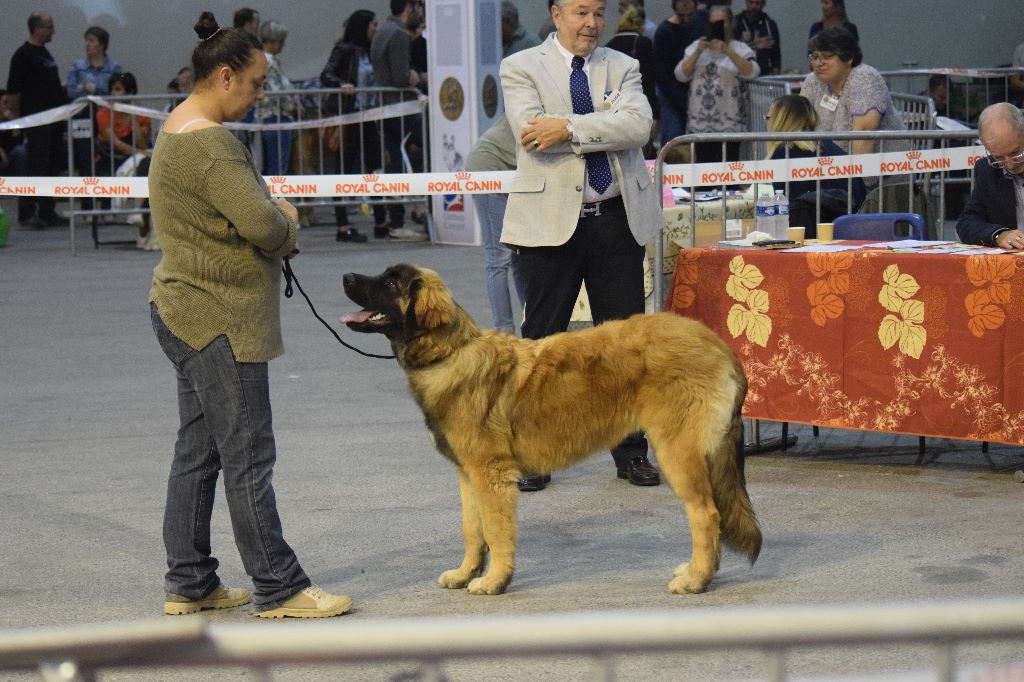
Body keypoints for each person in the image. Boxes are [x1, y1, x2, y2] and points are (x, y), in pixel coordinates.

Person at [148, 11, 352, 619]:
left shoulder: (177, 128)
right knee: (248, 454)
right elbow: (263, 225)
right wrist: (285, 220)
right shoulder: (212, 146)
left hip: (182, 310)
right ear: (226, 76)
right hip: (220, 322)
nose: (263, 94)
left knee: (200, 451)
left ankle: (190, 580)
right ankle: (280, 587)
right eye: (259, 83)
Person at [500, 0, 665, 491]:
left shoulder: (624, 65)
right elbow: (532, 135)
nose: (591, 24)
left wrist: (569, 126)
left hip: (616, 222)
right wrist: (601, 128)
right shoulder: (520, 67)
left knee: (623, 346)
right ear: (555, 15)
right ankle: (534, 454)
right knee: (541, 345)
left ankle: (632, 452)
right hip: (549, 226)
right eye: (579, 13)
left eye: (597, 13)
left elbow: (639, 127)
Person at [319, 8, 385, 242]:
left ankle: (381, 220)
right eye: (372, 25)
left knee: (375, 168)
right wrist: (343, 84)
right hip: (349, 116)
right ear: (363, 26)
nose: (375, 29)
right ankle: (343, 224)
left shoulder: (369, 51)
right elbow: (326, 75)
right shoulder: (344, 49)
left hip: (368, 116)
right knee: (344, 170)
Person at [765, 94, 865, 237]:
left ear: (778, 121)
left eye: (768, 118)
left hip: (819, 229)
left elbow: (785, 208)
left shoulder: (783, 153)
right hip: (855, 223)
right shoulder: (827, 145)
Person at [370, 0, 428, 241]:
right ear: (409, 8)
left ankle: (399, 217)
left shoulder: (382, 31)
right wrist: (417, 76)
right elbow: (401, 77)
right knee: (425, 148)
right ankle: (416, 207)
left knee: (395, 160)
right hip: (400, 108)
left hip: (387, 108)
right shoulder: (400, 35)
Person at [673, 5, 759, 163]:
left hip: (730, 125)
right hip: (700, 125)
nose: (717, 27)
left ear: (731, 24)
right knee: (702, 176)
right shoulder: (695, 47)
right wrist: (698, 51)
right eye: (713, 23)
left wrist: (727, 51)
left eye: (722, 22)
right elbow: (680, 75)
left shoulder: (741, 49)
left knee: (730, 173)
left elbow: (752, 72)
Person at [466, 114, 527, 334]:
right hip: (487, 169)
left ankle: (531, 321)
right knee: (498, 258)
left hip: (512, 174)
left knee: (521, 254)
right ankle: (504, 333)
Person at [6, 11, 68, 228]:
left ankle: (47, 211)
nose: (53, 31)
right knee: (35, 166)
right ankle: (27, 211)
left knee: (51, 166)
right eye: (50, 27)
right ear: (38, 29)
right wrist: (18, 120)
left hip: (54, 121)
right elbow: (13, 92)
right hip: (36, 121)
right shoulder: (23, 55)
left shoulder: (45, 54)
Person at [95, 72, 154, 248]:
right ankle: (142, 225)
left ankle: (142, 225)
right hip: (111, 159)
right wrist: (139, 153)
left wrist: (133, 114)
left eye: (119, 90)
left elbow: (143, 143)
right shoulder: (103, 114)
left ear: (130, 92)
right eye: (112, 90)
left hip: (137, 160)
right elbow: (114, 143)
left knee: (147, 168)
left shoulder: (141, 115)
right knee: (144, 163)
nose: (114, 94)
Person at [956, 103, 1024, 249]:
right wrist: (1000, 235)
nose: (1010, 164)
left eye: (1015, 153)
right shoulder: (987, 170)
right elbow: (966, 223)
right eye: (999, 158)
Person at [652, 0, 708, 145]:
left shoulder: (702, 21)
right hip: (671, 92)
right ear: (674, 10)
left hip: (696, 92)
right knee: (674, 139)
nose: (686, 19)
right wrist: (683, 103)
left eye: (690, 14)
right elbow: (663, 75)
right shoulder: (664, 32)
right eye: (681, 15)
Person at [257, 20, 296, 177]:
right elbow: (277, 91)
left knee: (272, 167)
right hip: (277, 119)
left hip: (270, 120)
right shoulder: (270, 62)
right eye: (281, 42)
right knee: (278, 170)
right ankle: (275, 202)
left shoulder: (263, 60)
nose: (282, 46)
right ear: (273, 42)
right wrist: (293, 105)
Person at [607, 6, 658, 122]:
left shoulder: (608, 45)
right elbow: (648, 80)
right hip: (637, 100)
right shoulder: (643, 43)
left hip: (615, 102)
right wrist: (654, 113)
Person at [66, 26, 123, 99]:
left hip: (106, 109)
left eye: (91, 41)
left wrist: (96, 89)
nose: (87, 44)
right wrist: (83, 87)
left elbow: (119, 93)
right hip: (83, 109)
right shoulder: (77, 66)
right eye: (86, 40)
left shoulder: (114, 67)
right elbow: (71, 92)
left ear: (102, 45)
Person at [732, 0, 780, 75]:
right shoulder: (736, 22)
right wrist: (753, 45)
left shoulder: (770, 25)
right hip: (741, 73)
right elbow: (730, 49)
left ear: (764, 4)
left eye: (757, 3)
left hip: (764, 73)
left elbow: (776, 55)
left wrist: (776, 76)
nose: (754, 6)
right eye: (751, 2)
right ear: (746, 2)